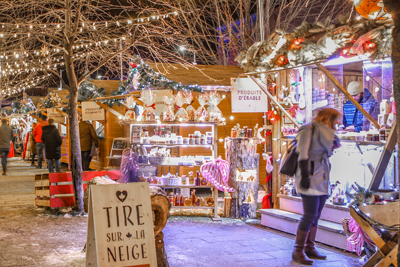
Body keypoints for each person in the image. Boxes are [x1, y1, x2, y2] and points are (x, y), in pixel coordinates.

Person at [292, 108, 341, 265]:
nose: (337, 122)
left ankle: (309, 247)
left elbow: (329, 151)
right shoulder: (308, 128)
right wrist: (305, 176)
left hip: (323, 175)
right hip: (310, 175)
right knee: (310, 214)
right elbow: (302, 152)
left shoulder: (327, 132)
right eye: (335, 119)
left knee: (316, 214)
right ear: (328, 118)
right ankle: (298, 250)